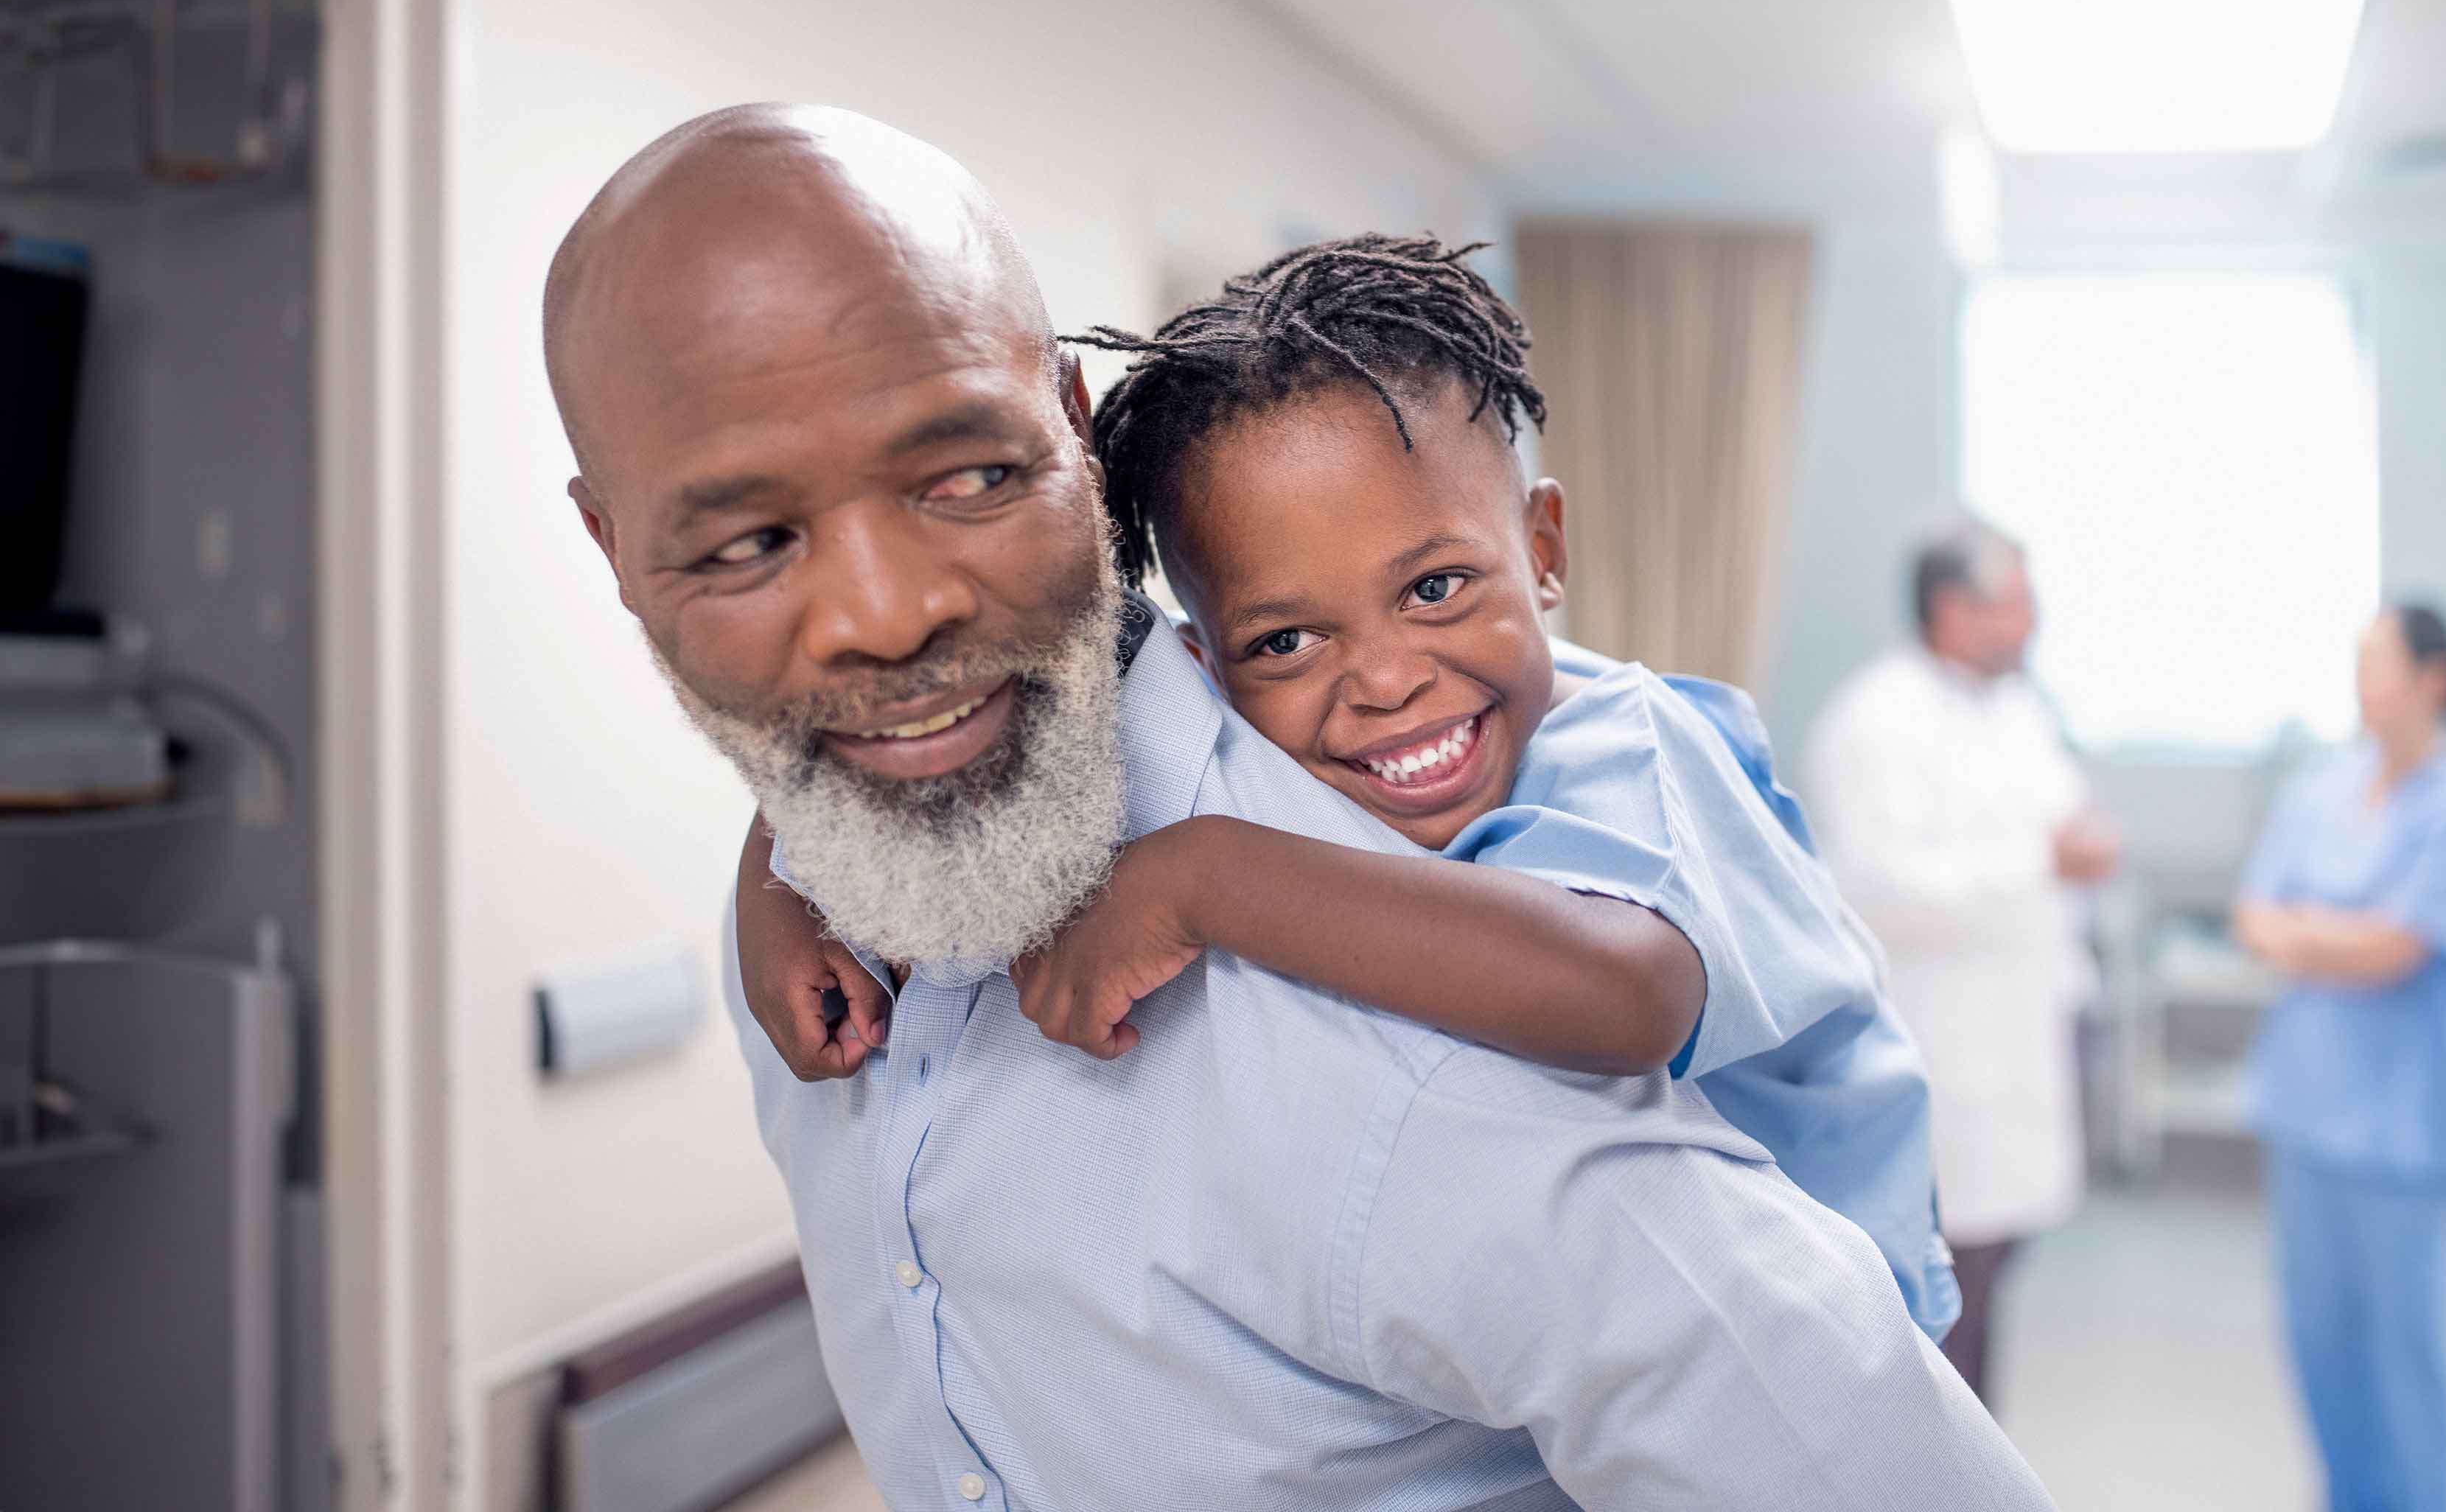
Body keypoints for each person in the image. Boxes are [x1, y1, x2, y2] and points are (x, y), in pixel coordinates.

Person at [555, 105, 2036, 1508]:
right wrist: (780, 862)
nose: (877, 621)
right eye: (751, 543)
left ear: (1070, 432)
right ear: (615, 549)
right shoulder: (838, 875)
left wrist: (1205, 880)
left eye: (965, 476)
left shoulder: (1438, 995)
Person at [724, 232, 1960, 1344]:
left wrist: (1203, 881)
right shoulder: (1265, 724)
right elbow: (979, 700)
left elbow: (1624, 991)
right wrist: (789, 869)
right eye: (1286, 642)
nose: (1382, 680)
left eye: (1434, 589)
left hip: (1827, 1333)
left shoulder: (1631, 747)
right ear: (1208, 665)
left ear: (1543, 550)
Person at [1803, 519, 2117, 1404]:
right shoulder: (1876, 718)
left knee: (1989, 1286)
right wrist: (2042, 864)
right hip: (1940, 1053)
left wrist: (2077, 849)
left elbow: (2060, 822)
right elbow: (1877, 887)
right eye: (2011, 604)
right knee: (1938, 1316)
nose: (2031, 621)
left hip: (2018, 1042)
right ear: (1950, 610)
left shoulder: (2019, 707)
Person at [2229, 603, 2446, 1512]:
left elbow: (2401, 949)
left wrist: (2310, 935)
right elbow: (2254, 915)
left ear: (2435, 679)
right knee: (2320, 1344)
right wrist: (2339, 937)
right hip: (2309, 1114)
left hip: (2405, 1131)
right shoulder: (2319, 787)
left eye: (2380, 664)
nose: (2363, 684)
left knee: (2404, 1357)